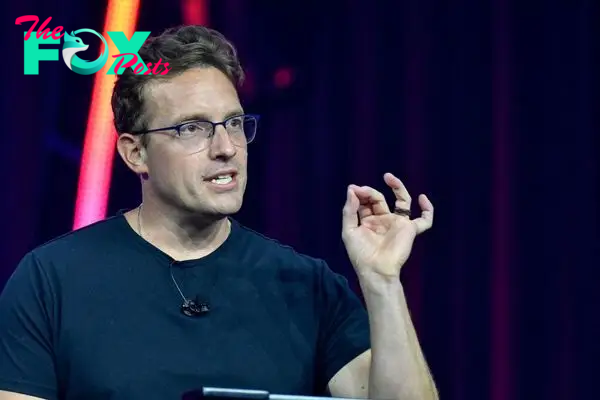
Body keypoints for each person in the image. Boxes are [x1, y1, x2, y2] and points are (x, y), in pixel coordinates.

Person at [0, 25, 438, 400]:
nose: (227, 148)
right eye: (192, 128)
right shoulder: (50, 281)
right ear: (136, 153)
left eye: (233, 123)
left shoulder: (307, 285)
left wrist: (382, 282)